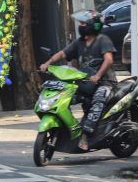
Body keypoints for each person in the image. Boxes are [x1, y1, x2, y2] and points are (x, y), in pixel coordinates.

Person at [39, 10, 116, 151]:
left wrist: (98, 76)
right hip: (85, 83)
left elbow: (109, 60)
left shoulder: (103, 40)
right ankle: (67, 130)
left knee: (97, 102)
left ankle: (86, 136)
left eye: (83, 23)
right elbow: (63, 53)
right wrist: (48, 63)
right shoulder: (79, 42)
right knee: (63, 97)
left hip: (105, 83)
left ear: (93, 25)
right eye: (80, 23)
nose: (80, 26)